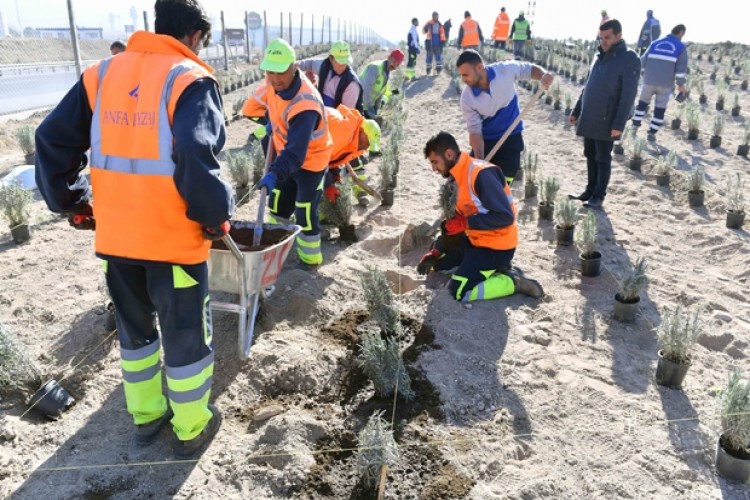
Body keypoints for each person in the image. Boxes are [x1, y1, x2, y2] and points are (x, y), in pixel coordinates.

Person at [34, 0, 232, 460]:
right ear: (196, 35)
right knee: (186, 339)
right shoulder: (189, 78)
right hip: (174, 243)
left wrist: (70, 202)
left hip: (118, 241)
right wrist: (213, 216)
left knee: (137, 336)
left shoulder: (100, 75)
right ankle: (191, 427)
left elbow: (50, 140)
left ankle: (146, 417)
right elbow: (197, 159)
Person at [417, 131, 543, 302]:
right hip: (474, 240)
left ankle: (514, 282)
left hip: (496, 248)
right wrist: (436, 250)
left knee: (459, 291)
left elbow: (505, 217)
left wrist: (466, 222)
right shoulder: (454, 180)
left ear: (448, 154)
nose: (433, 169)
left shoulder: (481, 175)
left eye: (435, 162)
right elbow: (453, 225)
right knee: (438, 265)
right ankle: (493, 270)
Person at [249, 38, 333, 266]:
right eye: (271, 72)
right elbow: (257, 106)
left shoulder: (306, 104)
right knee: (277, 204)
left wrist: (274, 174)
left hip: (311, 162)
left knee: (304, 210)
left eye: (281, 72)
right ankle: (276, 248)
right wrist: (269, 119)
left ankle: (309, 260)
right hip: (286, 154)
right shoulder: (271, 83)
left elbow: (296, 154)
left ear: (294, 68)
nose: (275, 79)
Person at [569, 18, 640, 209]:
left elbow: (628, 96)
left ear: (619, 35)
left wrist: (618, 124)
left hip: (607, 119)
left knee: (602, 157)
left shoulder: (629, 59)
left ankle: (599, 196)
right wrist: (576, 111)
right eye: (601, 38)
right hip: (590, 115)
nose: (603, 41)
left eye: (607, 37)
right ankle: (590, 190)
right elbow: (587, 87)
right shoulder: (598, 56)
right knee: (589, 153)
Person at [456, 49, 554, 185]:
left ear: (479, 68)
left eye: (465, 74)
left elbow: (528, 69)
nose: (463, 79)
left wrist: (543, 75)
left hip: (511, 137)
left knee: (503, 185)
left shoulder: (505, 71)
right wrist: (480, 161)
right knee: (473, 182)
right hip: (487, 140)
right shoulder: (467, 98)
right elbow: (475, 132)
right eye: (461, 75)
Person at [632, 24, 688, 141]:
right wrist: (681, 85)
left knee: (642, 104)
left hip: (649, 80)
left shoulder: (655, 43)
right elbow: (680, 69)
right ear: (681, 32)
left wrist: (643, 74)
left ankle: (634, 127)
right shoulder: (681, 47)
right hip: (665, 84)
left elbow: (642, 60)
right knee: (659, 109)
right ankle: (651, 133)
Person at [322, 105, 380, 207]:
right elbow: (319, 156)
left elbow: (333, 154)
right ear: (363, 133)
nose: (367, 148)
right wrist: (327, 184)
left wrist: (335, 172)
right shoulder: (344, 131)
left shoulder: (352, 134)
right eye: (368, 143)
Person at [297, 40, 363, 112]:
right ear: (331, 58)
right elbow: (309, 64)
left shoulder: (352, 84)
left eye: (345, 62)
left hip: (337, 119)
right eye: (340, 62)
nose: (343, 66)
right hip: (322, 111)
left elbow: (346, 115)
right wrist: (293, 66)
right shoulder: (324, 66)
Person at [359, 49, 404, 119]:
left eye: (397, 64)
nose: (395, 66)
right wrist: (369, 107)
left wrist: (377, 108)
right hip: (360, 104)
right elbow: (366, 88)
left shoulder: (387, 72)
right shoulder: (375, 68)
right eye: (394, 62)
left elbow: (380, 92)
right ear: (389, 58)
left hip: (368, 105)